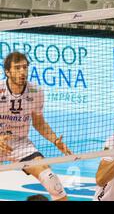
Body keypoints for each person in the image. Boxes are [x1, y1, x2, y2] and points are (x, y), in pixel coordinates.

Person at [0, 52, 71, 201]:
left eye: (25, 67)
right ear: (7, 71)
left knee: (51, 178)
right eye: (17, 68)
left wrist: (55, 141)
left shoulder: (36, 92)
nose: (22, 72)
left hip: (20, 143)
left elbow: (38, 123)